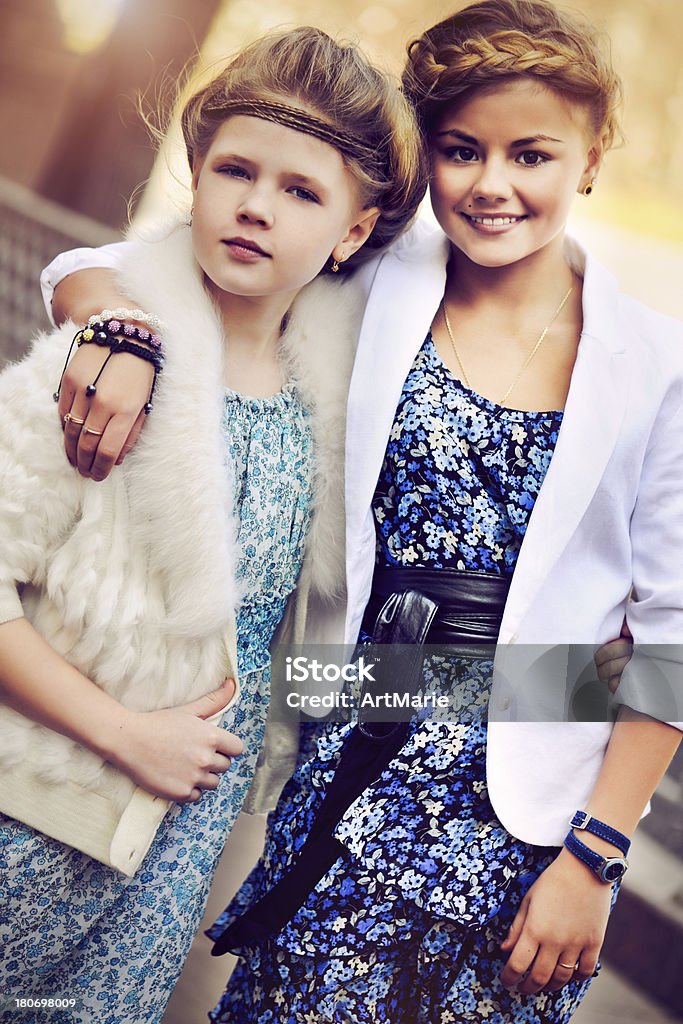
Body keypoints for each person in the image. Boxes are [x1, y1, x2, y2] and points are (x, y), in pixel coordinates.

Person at [37, 2, 682, 1022]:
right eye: (461, 150)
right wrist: (116, 329)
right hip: (345, 765)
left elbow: (668, 631)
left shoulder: (655, 362)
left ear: (591, 155)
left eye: (532, 154)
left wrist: (596, 854)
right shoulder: (367, 279)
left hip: (532, 828)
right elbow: (124, 265)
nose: (492, 184)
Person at [0, 27, 425, 1024]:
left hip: (158, 876)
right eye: (234, 169)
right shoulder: (100, 367)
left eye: (302, 191)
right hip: (24, 814)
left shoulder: (328, 421)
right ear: (194, 176)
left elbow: (283, 661)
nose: (254, 205)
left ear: (353, 234)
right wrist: (120, 731)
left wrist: (586, 677)